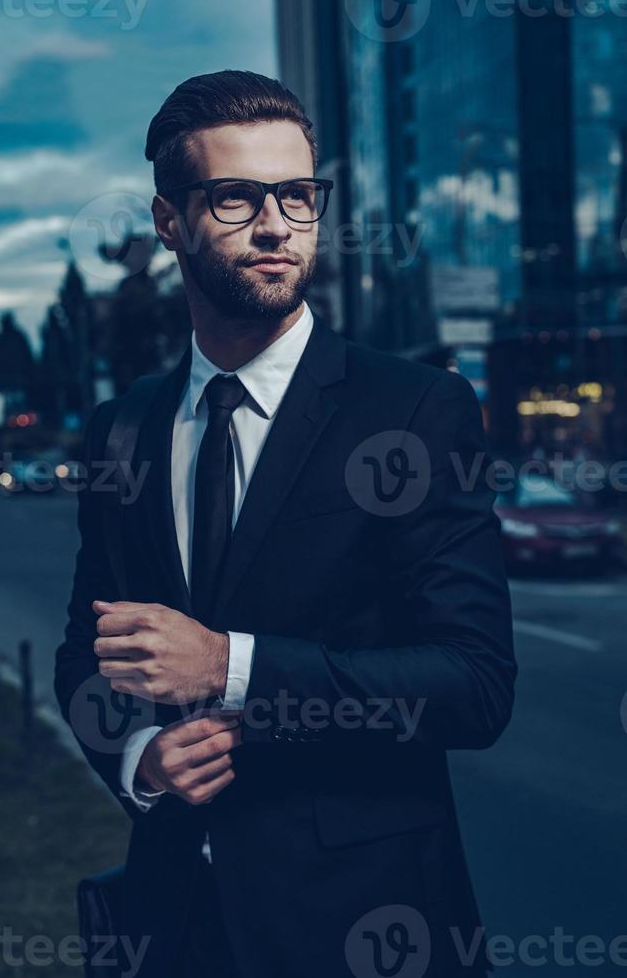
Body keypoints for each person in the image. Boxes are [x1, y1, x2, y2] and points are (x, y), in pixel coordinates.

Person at [55, 69, 517, 978]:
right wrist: (139, 759)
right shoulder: (124, 426)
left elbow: (473, 685)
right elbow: (87, 651)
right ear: (168, 221)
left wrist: (230, 665)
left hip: (364, 929)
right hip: (170, 923)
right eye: (235, 198)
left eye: (298, 196)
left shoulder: (415, 410)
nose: (276, 226)